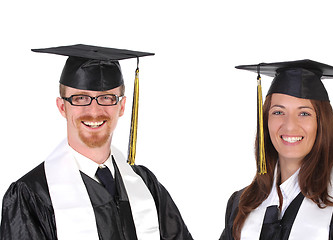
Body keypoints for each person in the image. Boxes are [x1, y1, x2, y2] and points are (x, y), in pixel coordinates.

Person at [0, 44, 193, 240]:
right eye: (80, 98)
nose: (94, 111)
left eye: (107, 98)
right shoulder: (31, 194)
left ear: (122, 106)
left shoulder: (146, 185)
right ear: (62, 107)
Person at [219, 59, 333, 240]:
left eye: (304, 113)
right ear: (265, 122)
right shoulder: (242, 204)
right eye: (278, 112)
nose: (290, 126)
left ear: (321, 123)